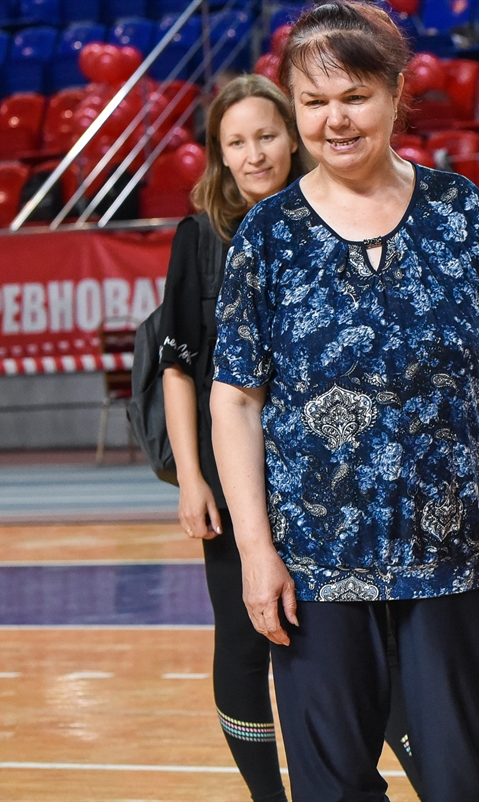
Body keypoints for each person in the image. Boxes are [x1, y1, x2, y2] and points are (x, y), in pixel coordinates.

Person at [208, 4, 479, 801]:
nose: (335, 119)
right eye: (314, 101)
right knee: (332, 787)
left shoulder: (462, 214)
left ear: (397, 93)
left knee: (467, 781)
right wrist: (257, 552)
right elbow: (236, 404)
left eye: (354, 96)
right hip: (314, 569)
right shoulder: (267, 237)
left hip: (455, 561)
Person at [157, 73, 305, 802]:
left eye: (266, 136)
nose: (254, 154)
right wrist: (191, 476)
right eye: (236, 142)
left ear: (294, 136)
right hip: (232, 470)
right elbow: (178, 365)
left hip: (322, 472)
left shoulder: (328, 216)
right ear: (218, 154)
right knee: (244, 641)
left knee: (339, 638)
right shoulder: (200, 236)